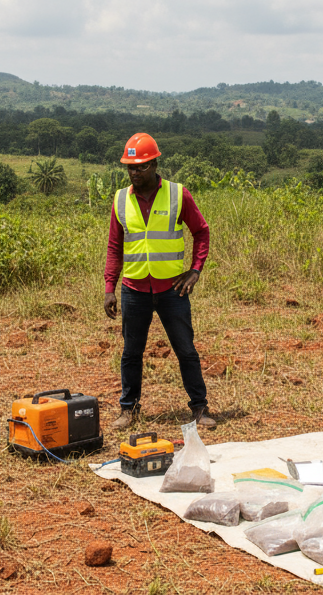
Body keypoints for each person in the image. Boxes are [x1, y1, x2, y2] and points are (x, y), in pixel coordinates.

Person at [103, 133, 214, 429]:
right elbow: (115, 246)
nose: (135, 173)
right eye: (130, 168)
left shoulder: (178, 195)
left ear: (154, 164)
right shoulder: (120, 199)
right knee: (131, 353)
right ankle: (128, 409)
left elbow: (201, 231)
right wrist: (109, 288)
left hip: (172, 290)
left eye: (141, 167)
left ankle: (200, 408)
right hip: (134, 289)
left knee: (186, 350)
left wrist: (195, 269)